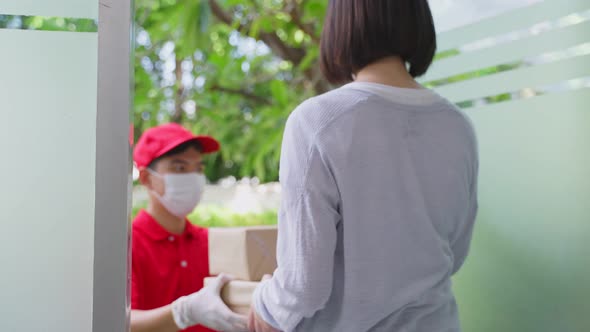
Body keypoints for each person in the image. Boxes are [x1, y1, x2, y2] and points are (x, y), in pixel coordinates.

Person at [249, 1, 479, 331]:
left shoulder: (318, 122)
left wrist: (264, 306)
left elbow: (303, 289)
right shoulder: (458, 126)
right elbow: (454, 253)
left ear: (341, 26)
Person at [131, 123, 247, 332]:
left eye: (198, 169)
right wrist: (184, 312)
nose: (193, 178)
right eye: (180, 168)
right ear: (147, 178)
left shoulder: (210, 241)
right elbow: (119, 322)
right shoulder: (128, 244)